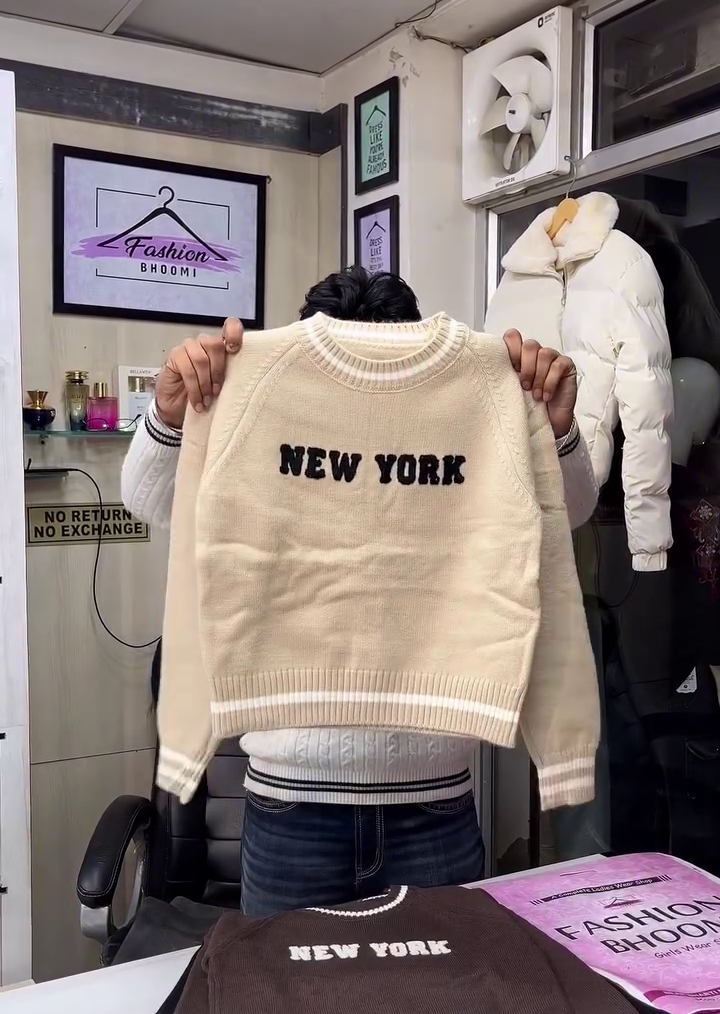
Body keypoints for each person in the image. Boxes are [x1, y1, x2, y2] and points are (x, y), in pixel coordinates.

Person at [123, 267, 598, 915]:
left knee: (438, 984)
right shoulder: (261, 381)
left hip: (435, 805)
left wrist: (555, 428)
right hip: (291, 811)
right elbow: (151, 503)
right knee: (290, 982)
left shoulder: (477, 390)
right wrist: (171, 415)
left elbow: (563, 519)